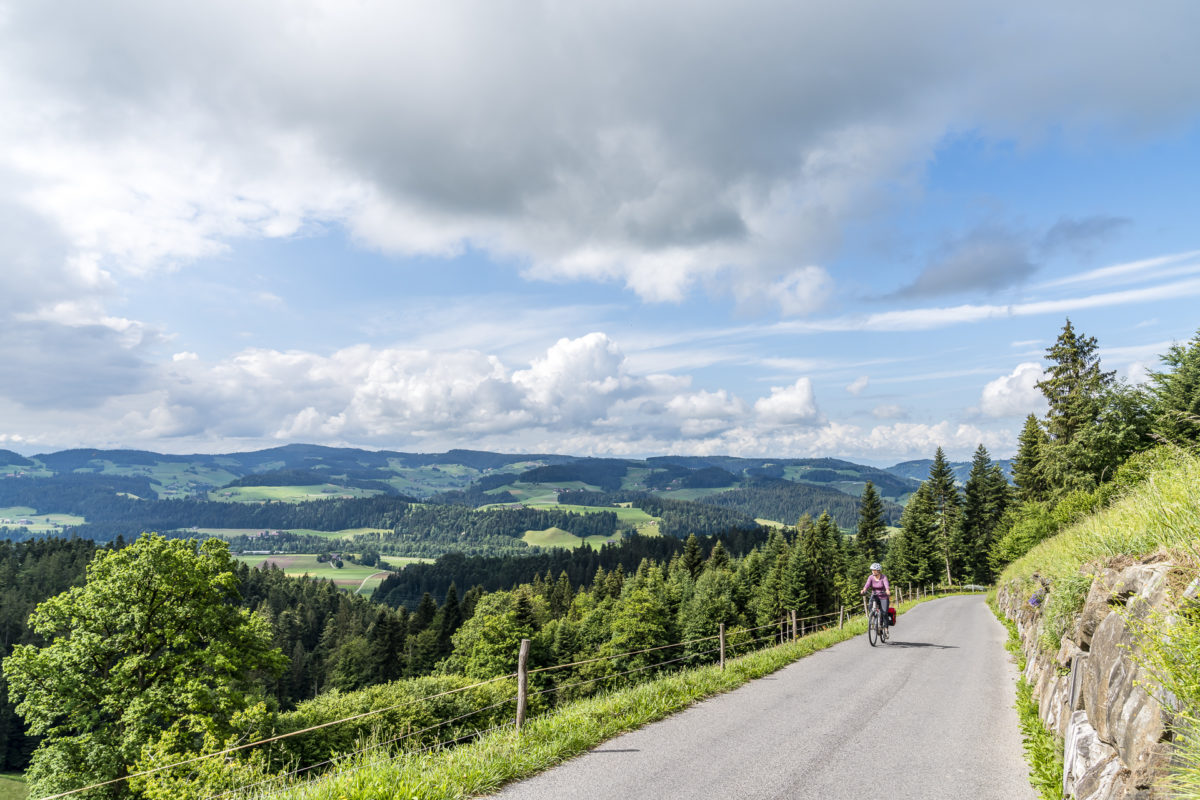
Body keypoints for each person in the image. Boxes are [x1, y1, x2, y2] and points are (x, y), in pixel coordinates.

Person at [861, 563, 891, 630]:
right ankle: (873, 620)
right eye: (872, 570)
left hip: (883, 596)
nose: (873, 571)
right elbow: (867, 585)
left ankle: (886, 629)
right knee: (870, 608)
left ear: (879, 571)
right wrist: (864, 590)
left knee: (884, 612)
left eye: (874, 570)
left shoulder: (883, 577)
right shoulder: (871, 577)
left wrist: (887, 590)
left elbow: (886, 585)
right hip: (874, 596)